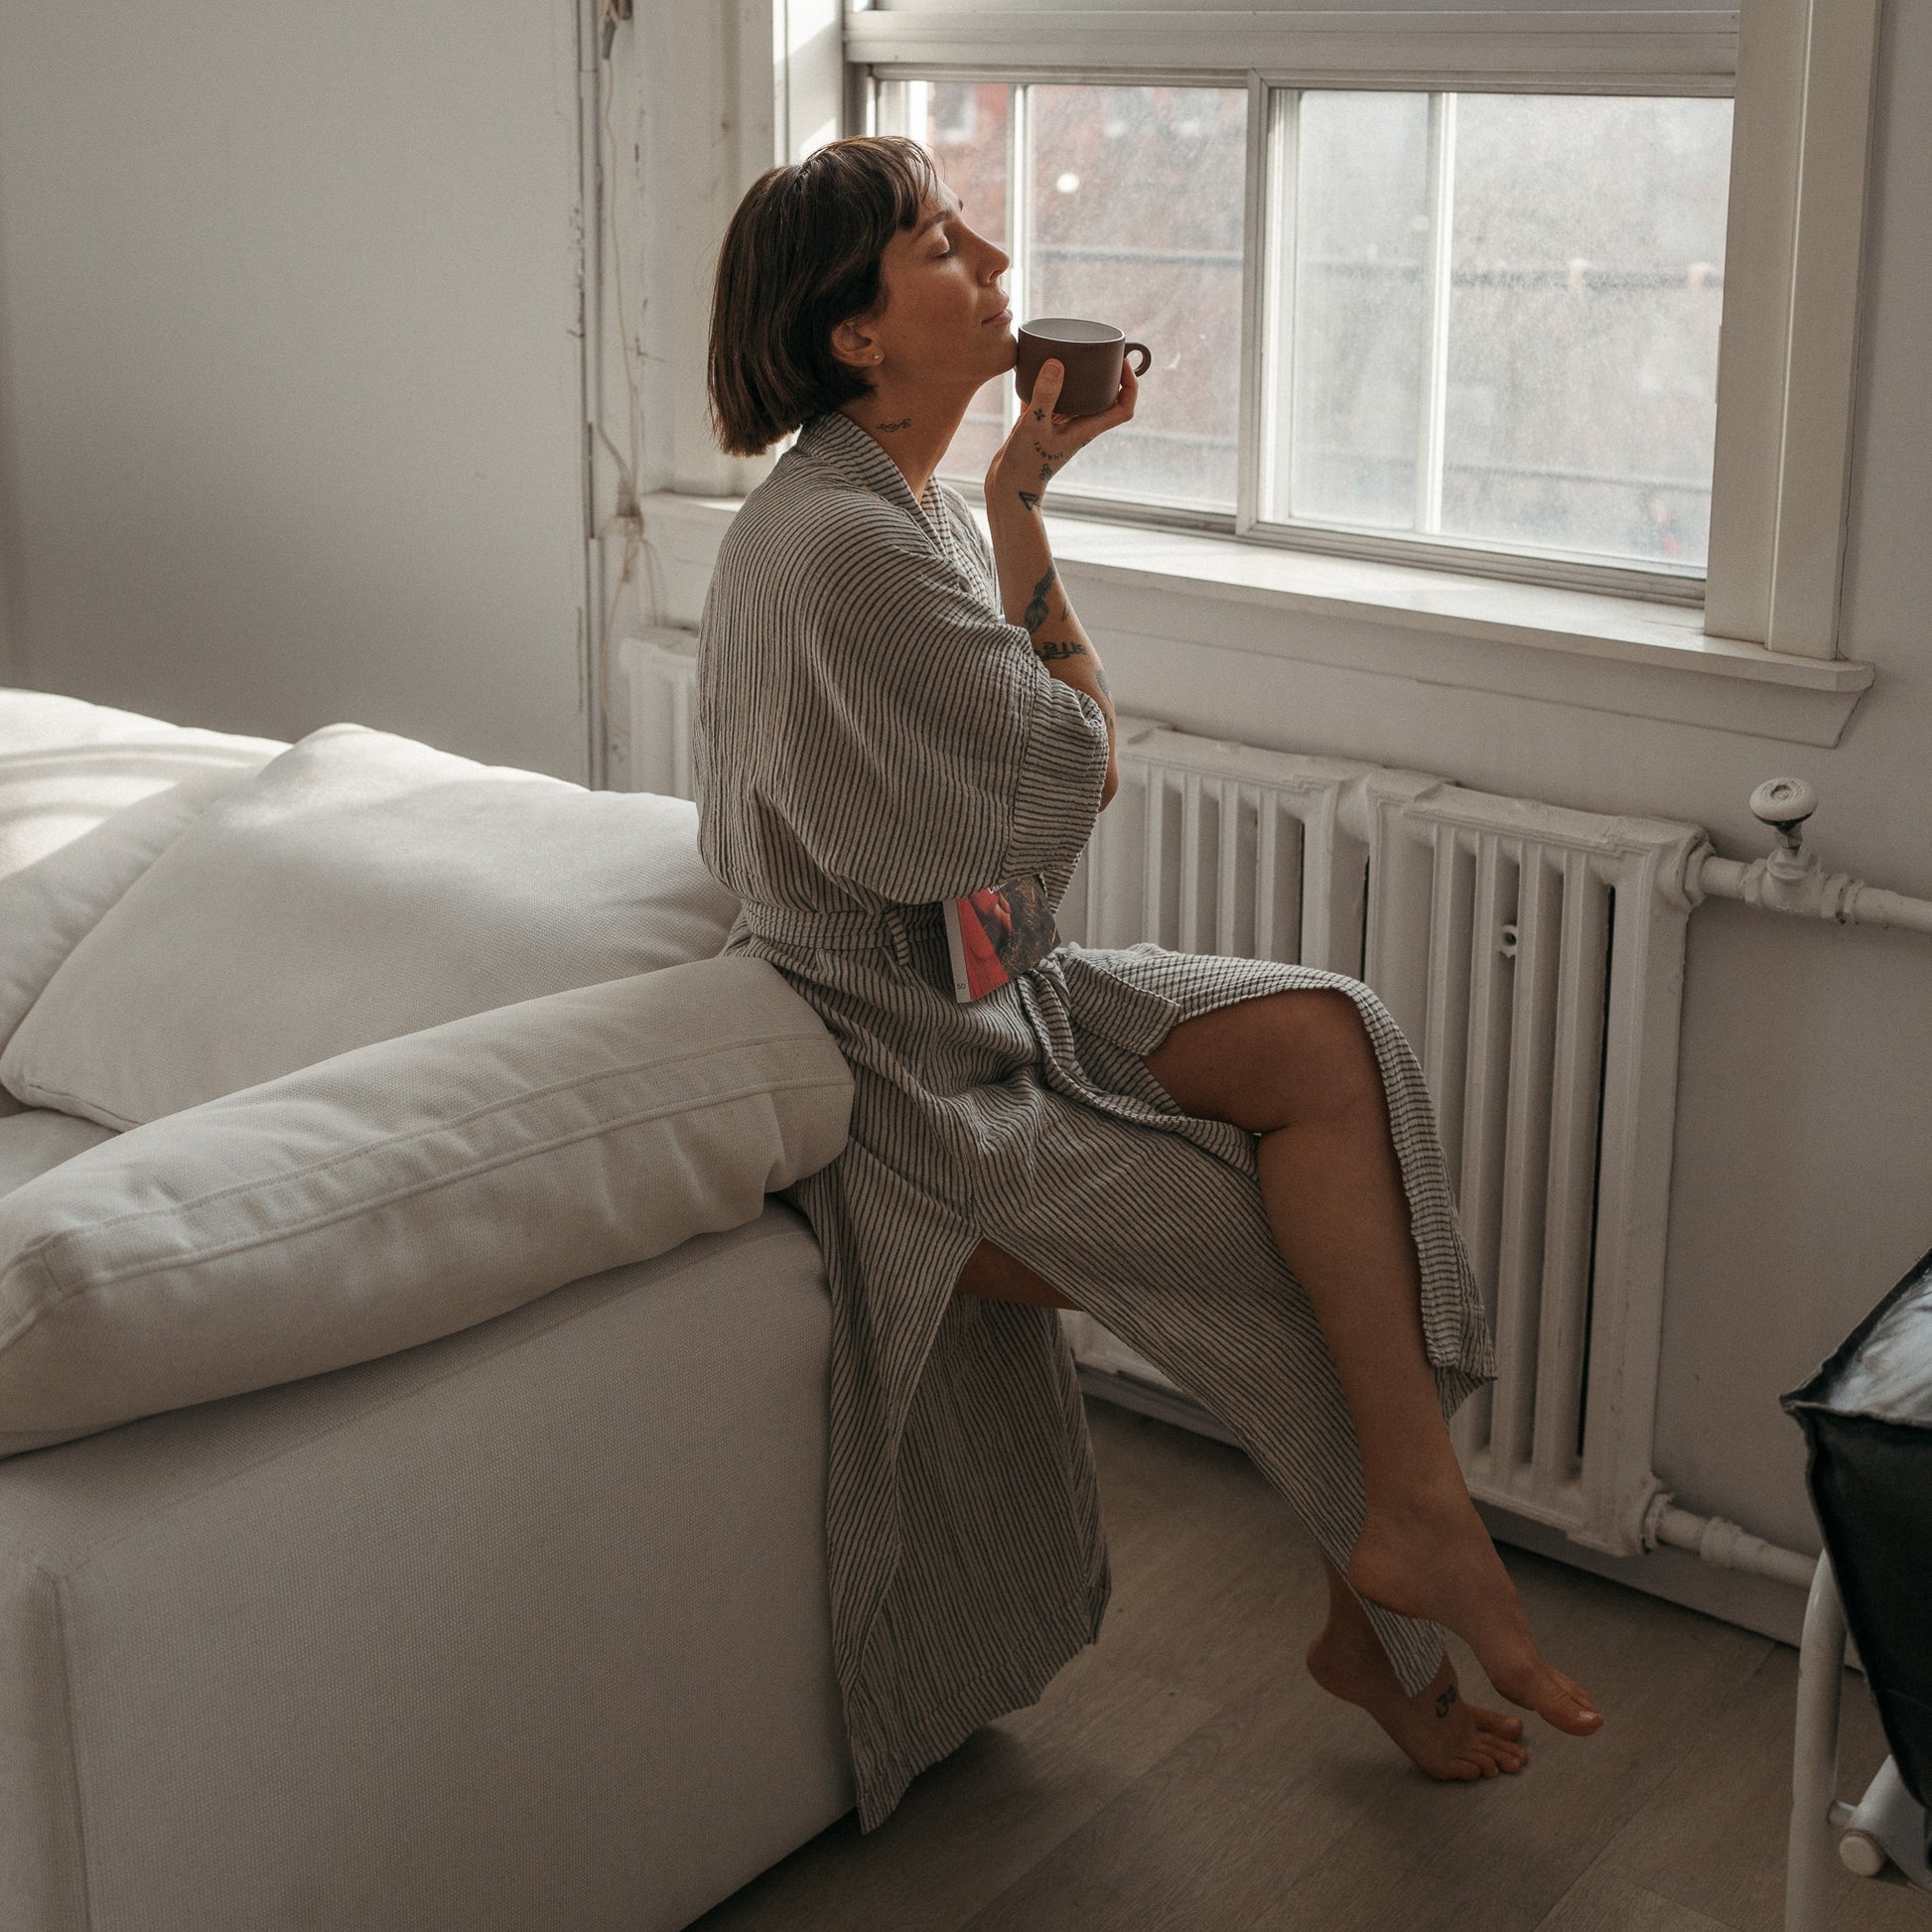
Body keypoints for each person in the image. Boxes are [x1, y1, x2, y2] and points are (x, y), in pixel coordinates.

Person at [694, 133, 1602, 1833]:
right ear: (854, 336)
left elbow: (1019, 794)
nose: (990, 256)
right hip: (903, 1074)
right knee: (1299, 1242)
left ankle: (1402, 1535)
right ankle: (1396, 1609)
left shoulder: (902, 504)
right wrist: (1031, 562)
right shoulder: (839, 546)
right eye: (937, 242)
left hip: (991, 992)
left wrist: (1019, 499)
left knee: (1329, 1037)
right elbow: (1077, 764)